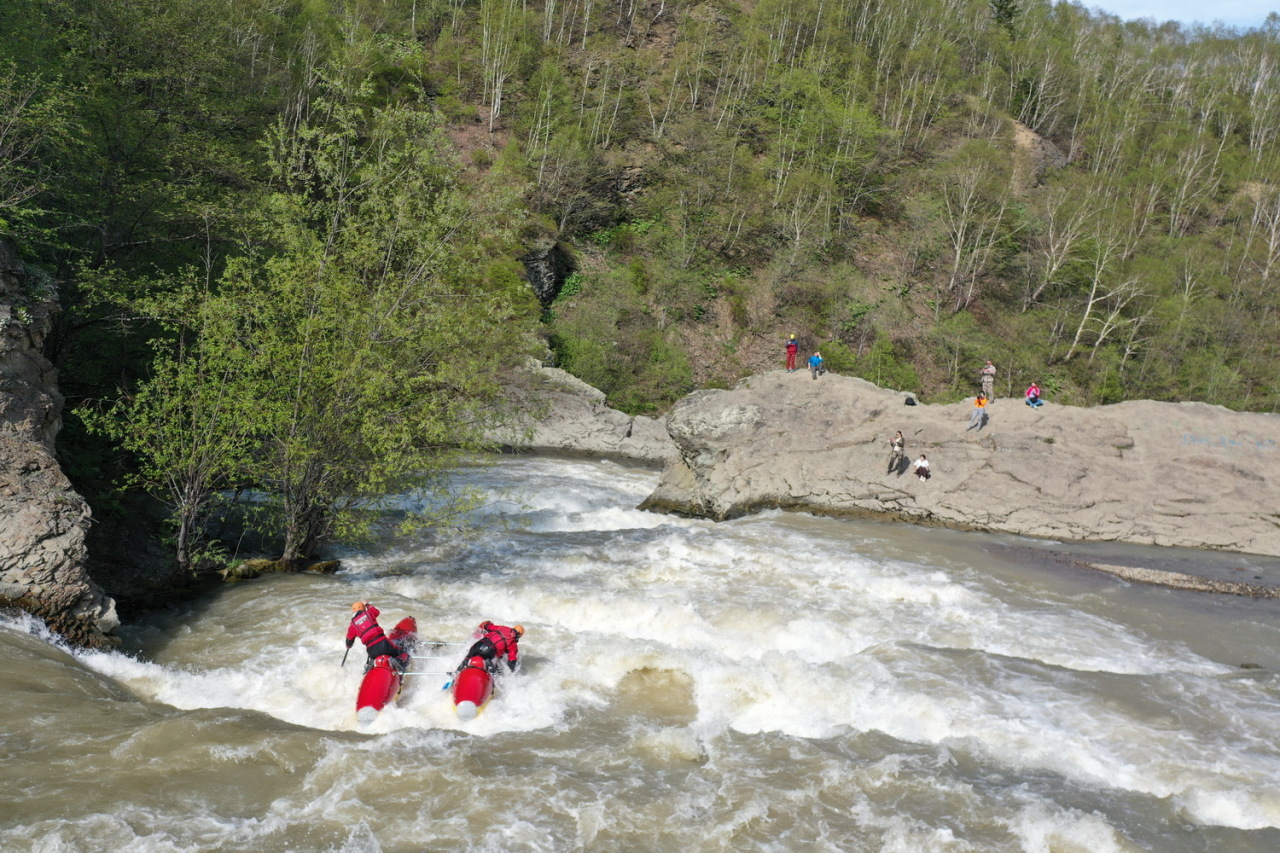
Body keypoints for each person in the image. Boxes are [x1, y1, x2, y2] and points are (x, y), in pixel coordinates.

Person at [346, 602, 407, 669]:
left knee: (372, 657)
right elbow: (376, 611)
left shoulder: (352, 626)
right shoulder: (369, 613)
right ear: (363, 609)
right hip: (384, 645)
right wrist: (367, 604)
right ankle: (398, 663)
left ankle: (370, 668)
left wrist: (348, 646)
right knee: (402, 653)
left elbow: (349, 643)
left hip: (371, 651)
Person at [459, 621, 524, 673]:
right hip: (489, 652)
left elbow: (488, 626)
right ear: (519, 635)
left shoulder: (503, 628)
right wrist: (511, 671)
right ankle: (491, 675)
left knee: (467, 658)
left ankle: (457, 671)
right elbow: (512, 659)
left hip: (479, 644)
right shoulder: (513, 643)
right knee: (495, 669)